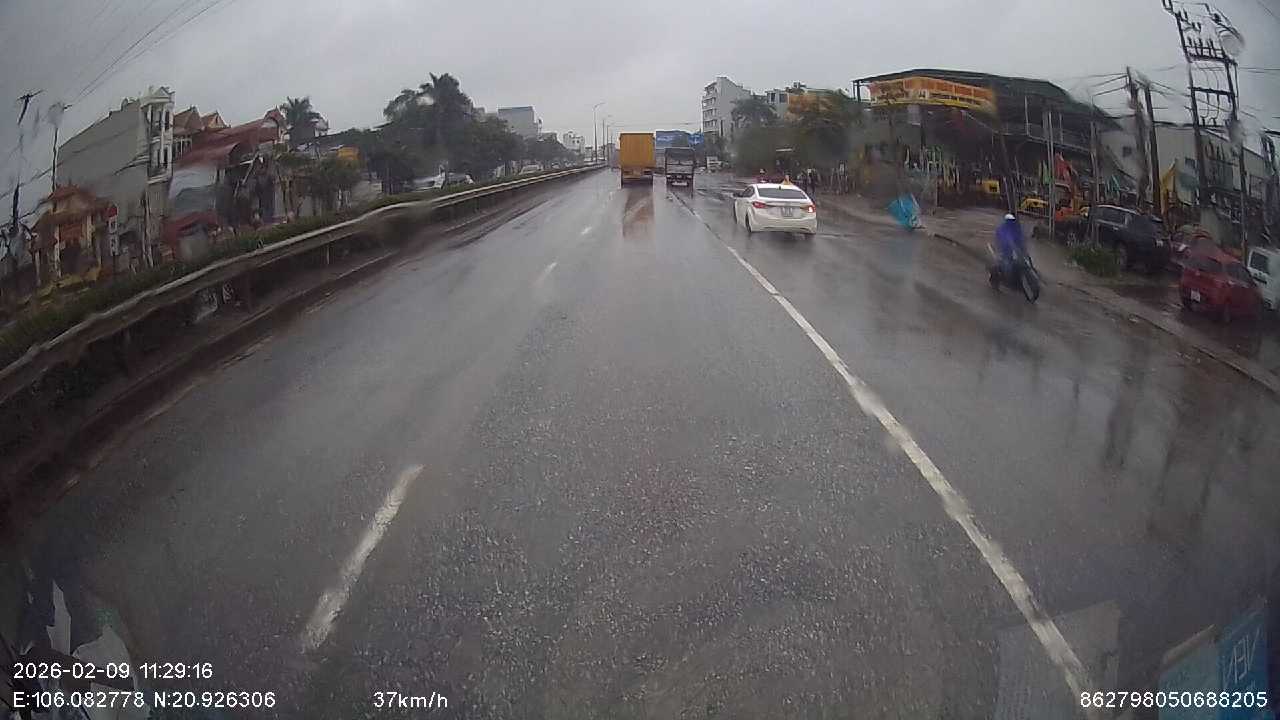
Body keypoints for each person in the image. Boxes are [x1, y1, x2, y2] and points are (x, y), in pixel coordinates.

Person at [994, 213, 1027, 278]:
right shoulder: (1003, 228)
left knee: (1025, 260)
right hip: (1006, 248)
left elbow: (1021, 238)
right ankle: (1005, 275)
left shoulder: (1017, 227)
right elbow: (1004, 239)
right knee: (1007, 263)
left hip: (1015, 248)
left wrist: (1023, 247)